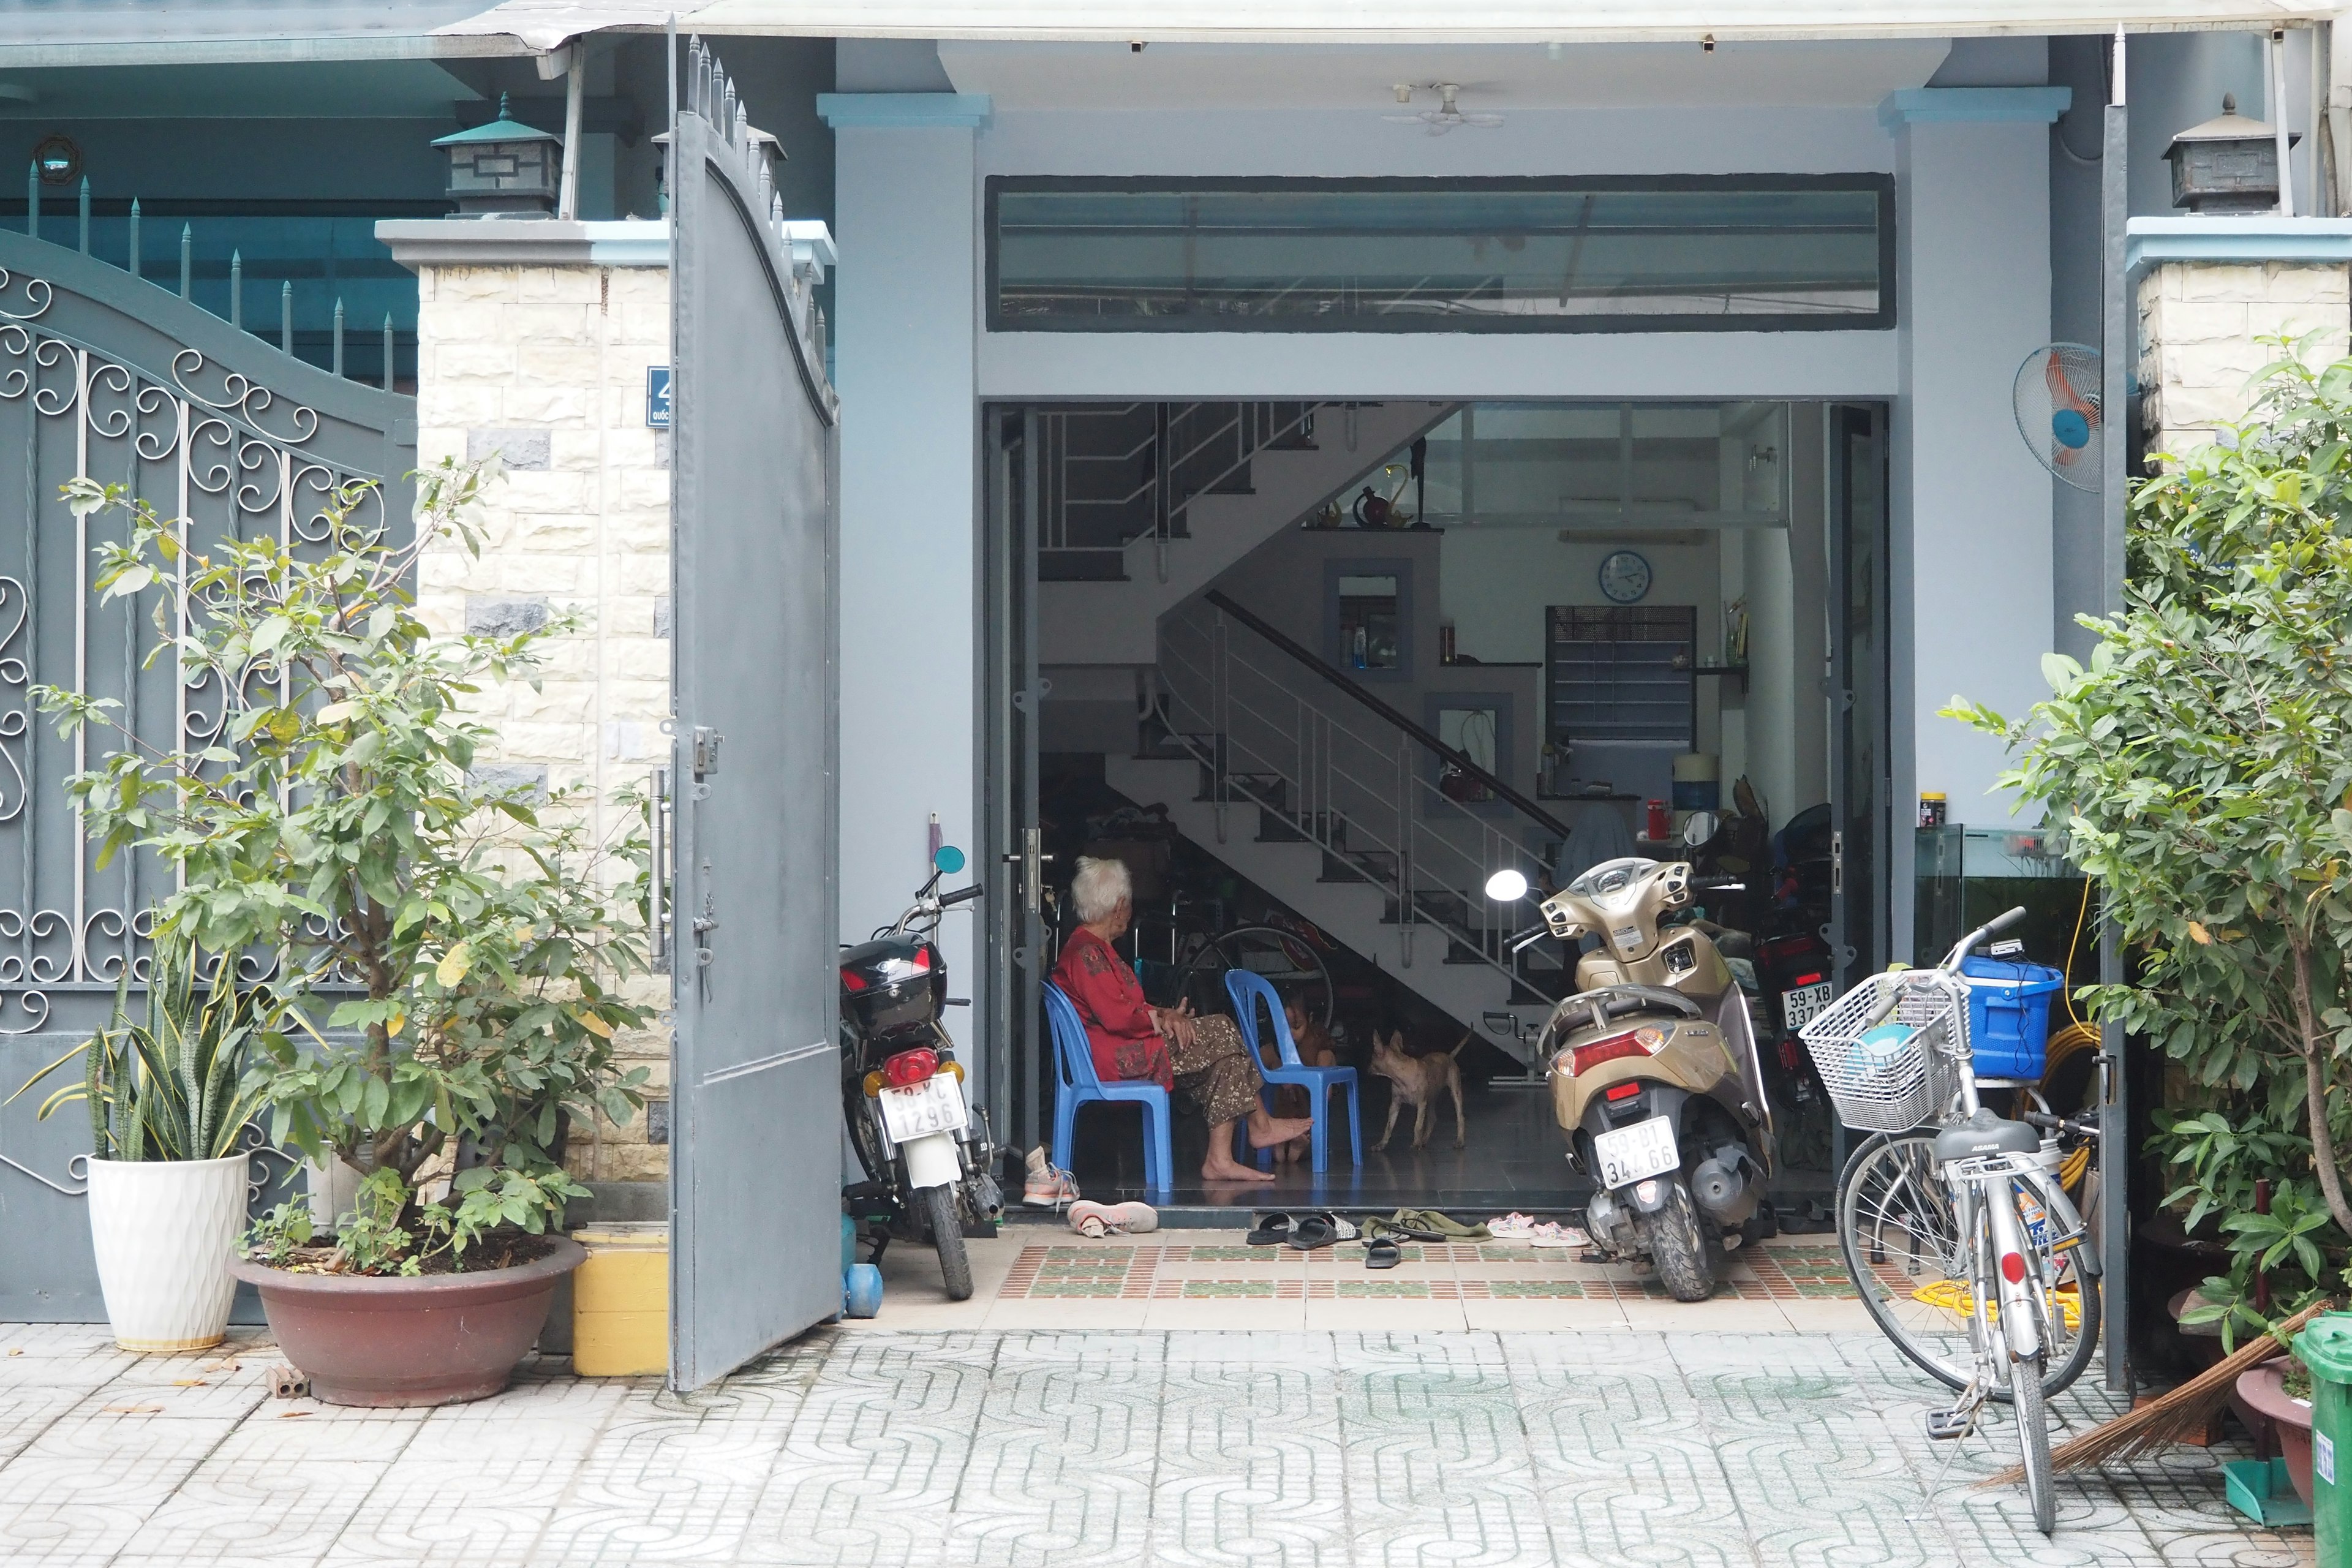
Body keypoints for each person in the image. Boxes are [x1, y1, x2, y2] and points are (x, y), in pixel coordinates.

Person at [1051, 856, 1311, 1185]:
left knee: (1223, 1059)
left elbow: (1129, 1006)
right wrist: (1162, 1023)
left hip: (1126, 1049)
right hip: (1117, 1060)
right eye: (1129, 903)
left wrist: (1167, 1015)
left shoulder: (1095, 949)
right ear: (1119, 907)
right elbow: (1119, 1017)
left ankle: (1222, 1159)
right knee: (1221, 1029)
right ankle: (1254, 1130)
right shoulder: (1087, 953)